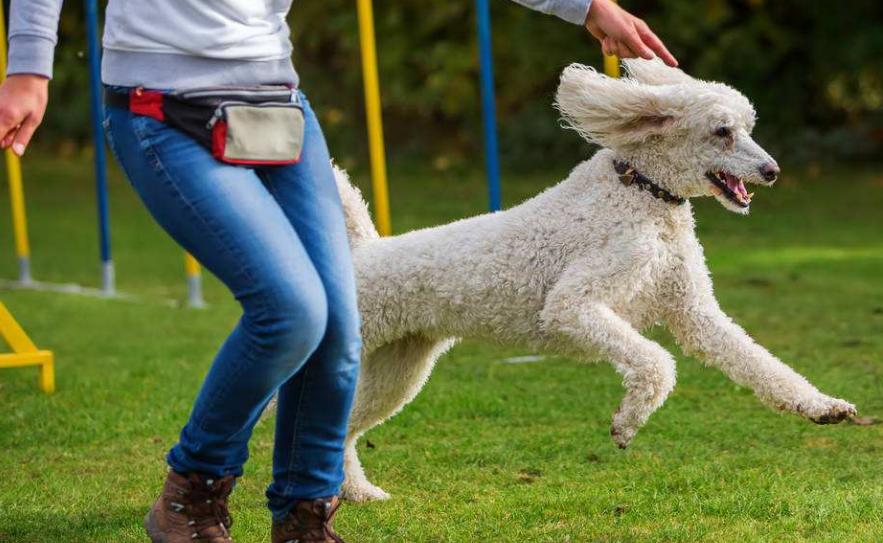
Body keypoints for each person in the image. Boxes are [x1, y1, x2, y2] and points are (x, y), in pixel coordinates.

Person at [0, 0, 676, 541]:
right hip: (161, 110)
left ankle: (303, 514)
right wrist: (29, 67)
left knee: (339, 316)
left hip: (272, 104)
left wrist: (583, 4)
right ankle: (192, 491)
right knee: (290, 310)